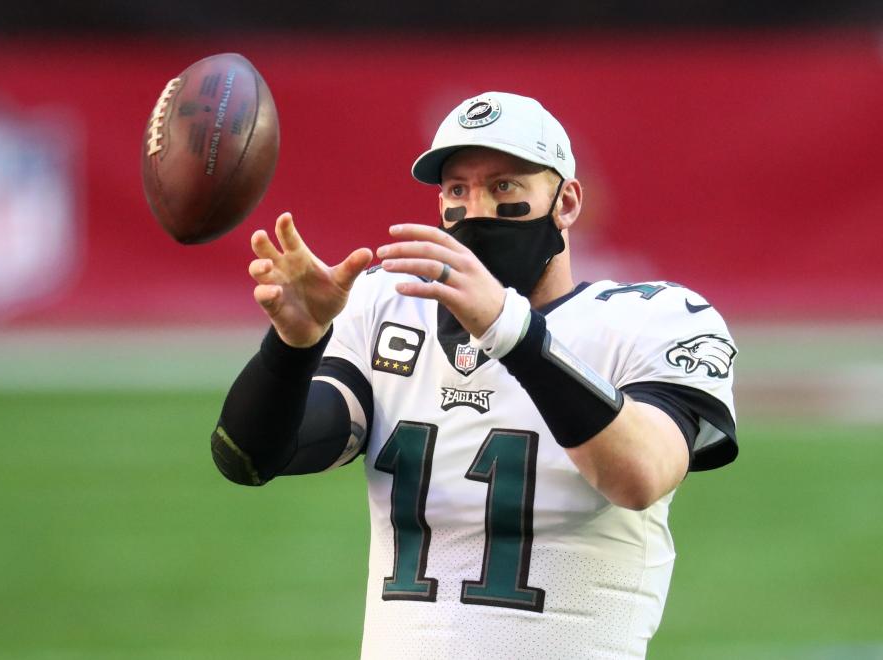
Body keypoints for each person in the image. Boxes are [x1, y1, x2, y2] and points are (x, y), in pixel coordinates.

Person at [212, 91, 738, 659]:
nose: (478, 209)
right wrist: (293, 346)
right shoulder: (390, 307)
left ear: (566, 203)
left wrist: (511, 331)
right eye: (458, 190)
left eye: (505, 186)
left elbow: (640, 476)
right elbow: (250, 456)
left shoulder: (648, 319)